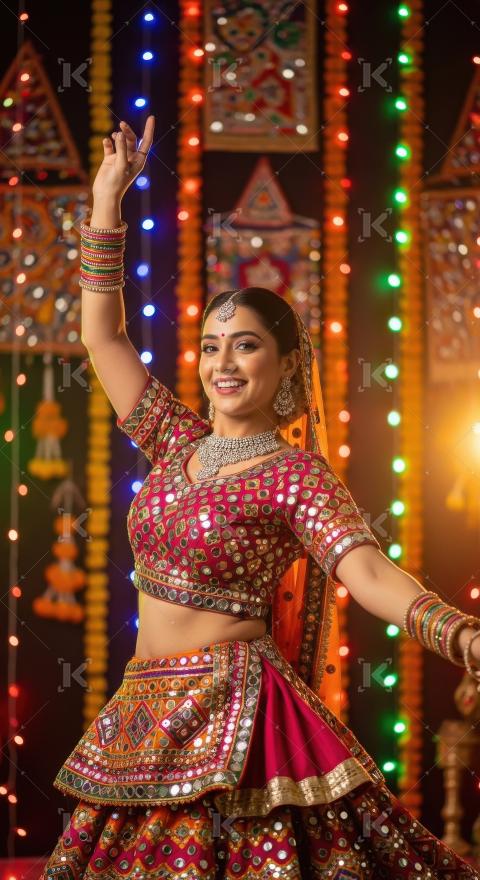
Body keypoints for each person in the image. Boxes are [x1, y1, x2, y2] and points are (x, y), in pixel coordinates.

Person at [40, 116, 480, 879]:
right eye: (211, 346)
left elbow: (367, 571)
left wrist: (461, 636)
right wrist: (108, 197)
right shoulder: (175, 439)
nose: (223, 363)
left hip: (237, 718)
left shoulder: (295, 473)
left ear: (283, 365)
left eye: (245, 344)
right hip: (139, 714)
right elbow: (103, 338)